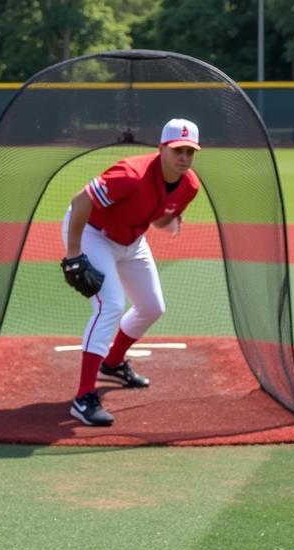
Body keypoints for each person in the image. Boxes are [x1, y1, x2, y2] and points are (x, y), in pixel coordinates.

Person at [60, 119, 201, 426]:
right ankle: (83, 397)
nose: (184, 158)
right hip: (92, 234)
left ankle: (111, 363)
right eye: (178, 150)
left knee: (152, 307)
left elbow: (160, 219)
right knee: (109, 305)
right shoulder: (131, 174)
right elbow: (80, 201)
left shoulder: (189, 185)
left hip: (131, 240)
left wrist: (172, 222)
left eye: (190, 152)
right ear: (162, 148)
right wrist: (74, 254)